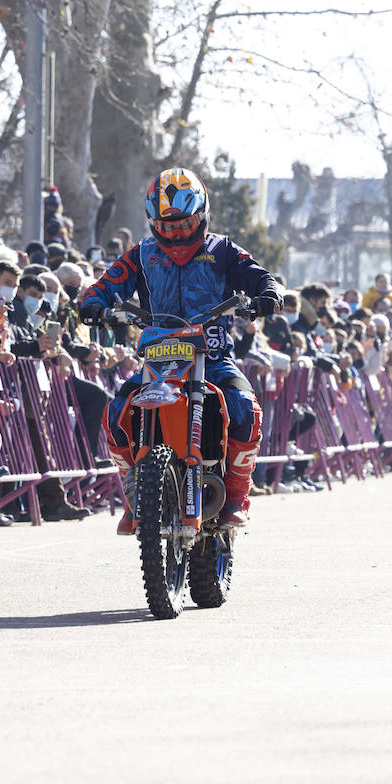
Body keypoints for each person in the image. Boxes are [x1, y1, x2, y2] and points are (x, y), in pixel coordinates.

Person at [77, 167, 281, 533]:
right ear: (154, 223)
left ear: (202, 216)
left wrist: (268, 294)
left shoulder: (223, 249)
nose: (177, 234)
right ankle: (134, 496)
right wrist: (93, 303)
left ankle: (236, 498)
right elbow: (106, 285)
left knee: (244, 409)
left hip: (213, 357)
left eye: (185, 226)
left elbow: (258, 274)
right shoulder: (141, 254)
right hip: (159, 359)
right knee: (115, 414)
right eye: (168, 228)